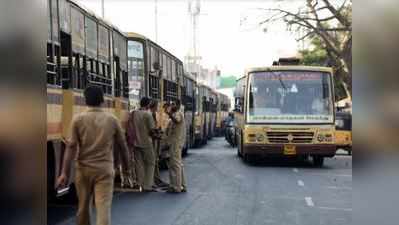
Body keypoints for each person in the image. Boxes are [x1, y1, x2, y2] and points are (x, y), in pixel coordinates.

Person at [56, 85, 130, 225]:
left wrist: (64, 173)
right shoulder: (112, 120)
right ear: (102, 100)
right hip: (105, 170)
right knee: (103, 209)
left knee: (83, 208)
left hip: (83, 170)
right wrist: (126, 168)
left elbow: (71, 147)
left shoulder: (78, 120)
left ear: (85, 100)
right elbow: (122, 146)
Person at [127, 97, 158, 192]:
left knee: (139, 163)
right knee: (151, 162)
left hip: (135, 142)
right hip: (146, 142)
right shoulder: (147, 114)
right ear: (148, 104)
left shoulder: (134, 113)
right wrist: (156, 136)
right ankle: (147, 185)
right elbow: (152, 130)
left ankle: (140, 183)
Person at [164, 100, 187, 193]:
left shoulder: (178, 114)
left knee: (175, 165)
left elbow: (176, 120)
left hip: (176, 144)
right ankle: (181, 185)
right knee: (177, 165)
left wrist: (168, 113)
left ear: (178, 105)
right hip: (174, 143)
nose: (171, 106)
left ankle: (176, 187)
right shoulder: (175, 114)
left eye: (173, 104)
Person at [149, 99, 169, 188]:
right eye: (157, 106)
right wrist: (158, 135)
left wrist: (159, 131)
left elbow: (154, 127)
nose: (158, 108)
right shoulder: (149, 114)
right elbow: (150, 129)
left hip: (155, 141)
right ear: (154, 106)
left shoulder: (154, 114)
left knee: (156, 160)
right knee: (153, 161)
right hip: (151, 141)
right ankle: (153, 181)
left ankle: (157, 179)